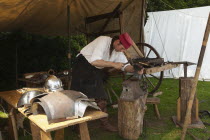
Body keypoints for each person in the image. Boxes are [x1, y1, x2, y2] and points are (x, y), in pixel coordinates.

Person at [71, 33, 144, 132]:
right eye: (122, 48)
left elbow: (125, 66)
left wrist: (135, 69)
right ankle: (75, 124)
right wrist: (113, 64)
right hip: (82, 65)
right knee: (78, 96)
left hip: (94, 69)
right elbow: (94, 61)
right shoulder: (103, 40)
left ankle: (104, 124)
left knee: (101, 96)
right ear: (118, 42)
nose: (122, 51)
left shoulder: (118, 51)